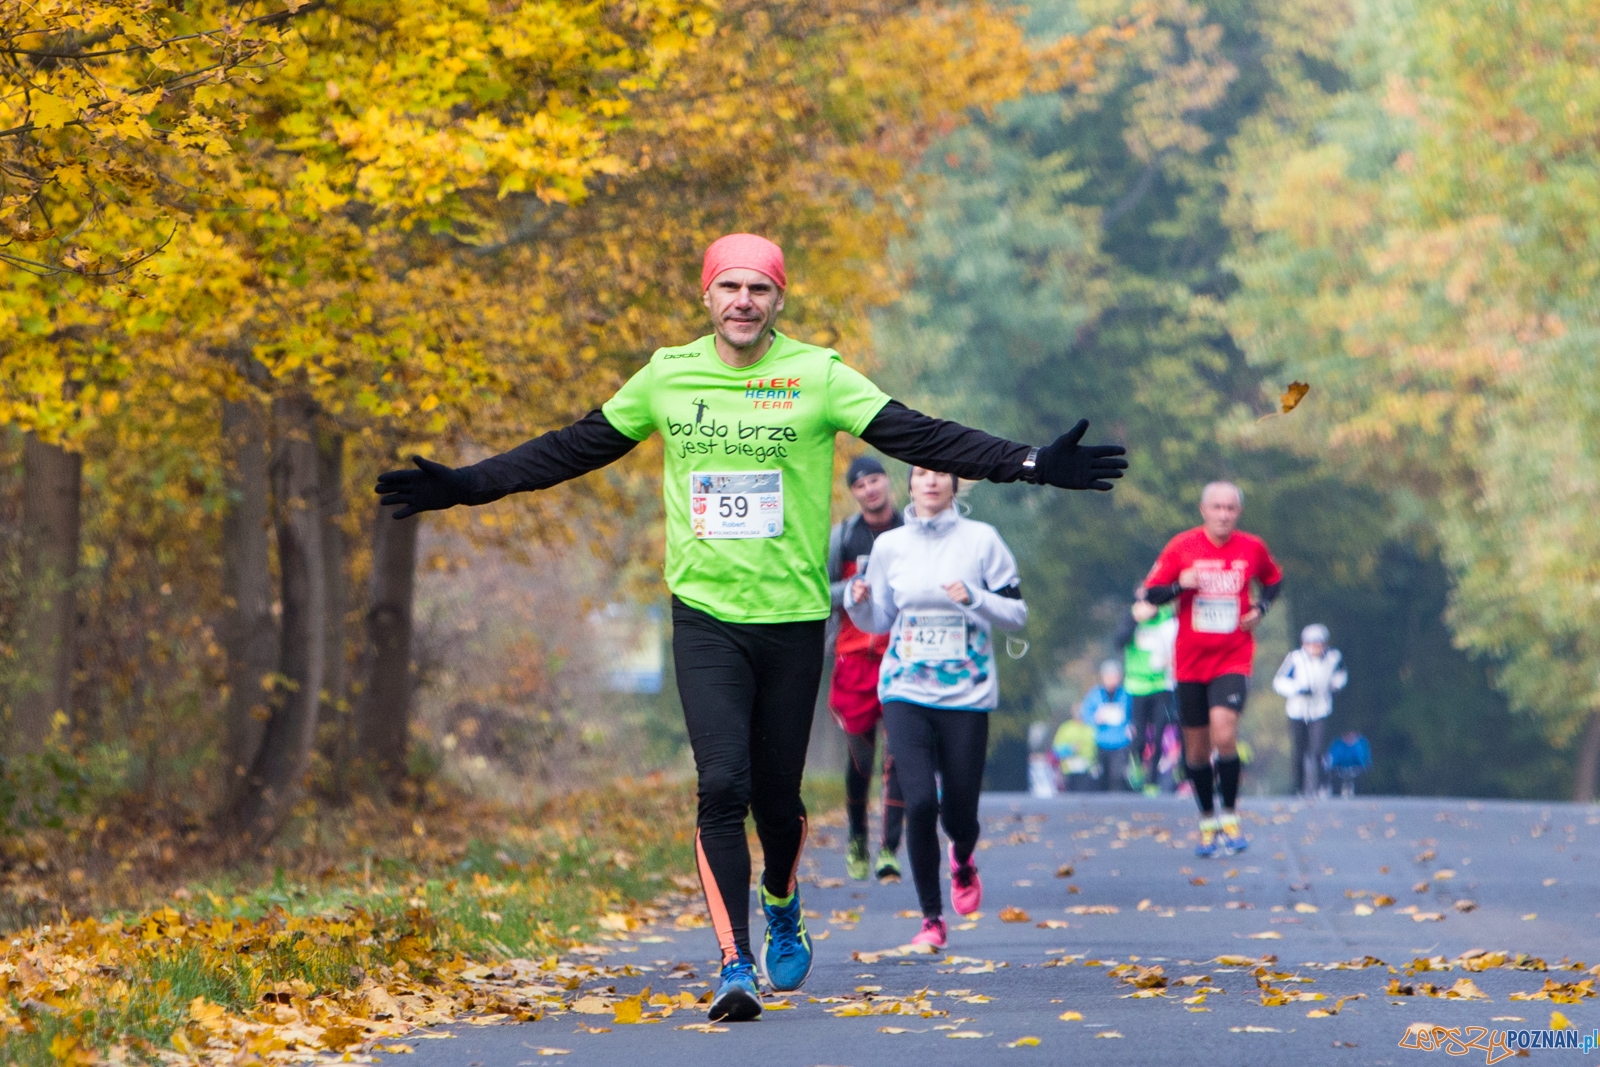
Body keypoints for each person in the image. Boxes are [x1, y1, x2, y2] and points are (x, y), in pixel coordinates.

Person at [373, 234, 1127, 1021]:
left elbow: (920, 434)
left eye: (758, 288)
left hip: (793, 618)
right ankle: (734, 960)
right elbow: (574, 446)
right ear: (706, 297)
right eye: (728, 286)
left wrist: (1032, 463)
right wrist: (467, 485)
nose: (742, 300)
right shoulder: (668, 375)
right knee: (722, 783)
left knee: (776, 798)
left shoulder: (818, 375)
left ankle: (781, 897)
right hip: (705, 614)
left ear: (778, 300)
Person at [844, 466, 1027, 949]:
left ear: (954, 485)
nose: (930, 481)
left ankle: (962, 859)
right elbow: (878, 618)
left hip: (967, 694)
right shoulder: (891, 547)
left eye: (940, 474)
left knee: (959, 812)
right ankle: (931, 918)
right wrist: (855, 601)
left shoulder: (982, 540)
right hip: (905, 688)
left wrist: (977, 598)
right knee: (920, 801)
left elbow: (1017, 613)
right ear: (909, 484)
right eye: (921, 474)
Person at [1139, 481, 1282, 858]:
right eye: (1217, 507)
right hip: (1189, 663)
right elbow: (1150, 594)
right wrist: (1178, 585)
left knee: (1224, 734)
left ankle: (1231, 816)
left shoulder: (1252, 547)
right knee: (1197, 752)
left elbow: (1273, 581)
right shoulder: (1181, 546)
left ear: (1239, 513)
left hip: (1233, 657)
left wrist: (1261, 610)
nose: (1223, 515)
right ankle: (1207, 820)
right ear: (1204, 510)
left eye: (1230, 508)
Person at [825, 455, 905, 881]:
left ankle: (890, 847)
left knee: (902, 756)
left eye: (875, 480)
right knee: (861, 759)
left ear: (887, 483)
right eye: (861, 485)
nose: (870, 489)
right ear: (853, 493)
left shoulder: (910, 532)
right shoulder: (843, 537)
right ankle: (857, 833)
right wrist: (848, 589)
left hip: (902, 657)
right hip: (853, 659)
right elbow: (819, 591)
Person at [1273, 623, 1347, 797]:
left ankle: (1322, 784)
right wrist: (1297, 689)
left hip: (1320, 708)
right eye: (1311, 644)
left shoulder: (1334, 657)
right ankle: (1298, 786)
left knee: (1318, 749)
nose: (1315, 648)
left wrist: (1335, 685)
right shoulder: (1295, 658)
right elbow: (1279, 681)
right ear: (1304, 644)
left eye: (1319, 644)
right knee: (1299, 750)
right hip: (1297, 709)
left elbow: (1341, 674)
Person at [1114, 596, 1178, 795]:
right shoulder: (1131, 617)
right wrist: (1134, 620)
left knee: (1159, 734)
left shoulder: (1167, 617)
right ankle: (1137, 767)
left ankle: (1153, 780)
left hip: (1162, 684)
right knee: (1140, 736)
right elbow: (1119, 642)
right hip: (1137, 685)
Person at [1080, 659, 1133, 791]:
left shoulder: (1127, 694)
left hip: (1121, 742)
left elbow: (1135, 715)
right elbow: (1085, 713)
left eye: (1114, 675)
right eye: (1108, 676)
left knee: (1117, 777)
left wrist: (1132, 727)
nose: (1111, 679)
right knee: (1101, 777)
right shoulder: (1095, 694)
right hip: (1101, 741)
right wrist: (1095, 718)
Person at [1052, 716, 1098, 792]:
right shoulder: (1065, 728)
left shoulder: (1091, 728)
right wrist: (1069, 749)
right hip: (1069, 771)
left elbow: (1095, 749)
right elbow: (1056, 750)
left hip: (1086, 771)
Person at [1325, 730, 1372, 797]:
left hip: (1356, 767)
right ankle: (1341, 789)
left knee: (1350, 772)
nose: (1349, 739)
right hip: (1340, 767)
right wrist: (1330, 765)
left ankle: (1350, 788)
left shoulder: (1359, 744)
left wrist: (1364, 765)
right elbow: (1333, 756)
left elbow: (1362, 758)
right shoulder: (1338, 744)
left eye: (1351, 736)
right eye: (1347, 736)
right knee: (1341, 773)